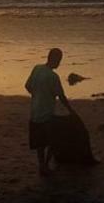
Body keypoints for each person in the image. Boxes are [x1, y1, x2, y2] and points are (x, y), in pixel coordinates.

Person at [25, 48, 70, 176]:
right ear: (54, 59)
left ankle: (42, 165)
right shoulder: (53, 77)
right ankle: (45, 165)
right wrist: (71, 110)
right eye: (59, 60)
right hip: (47, 114)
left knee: (40, 143)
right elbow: (61, 96)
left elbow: (27, 86)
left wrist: (37, 94)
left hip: (35, 112)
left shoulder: (37, 69)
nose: (59, 63)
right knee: (53, 140)